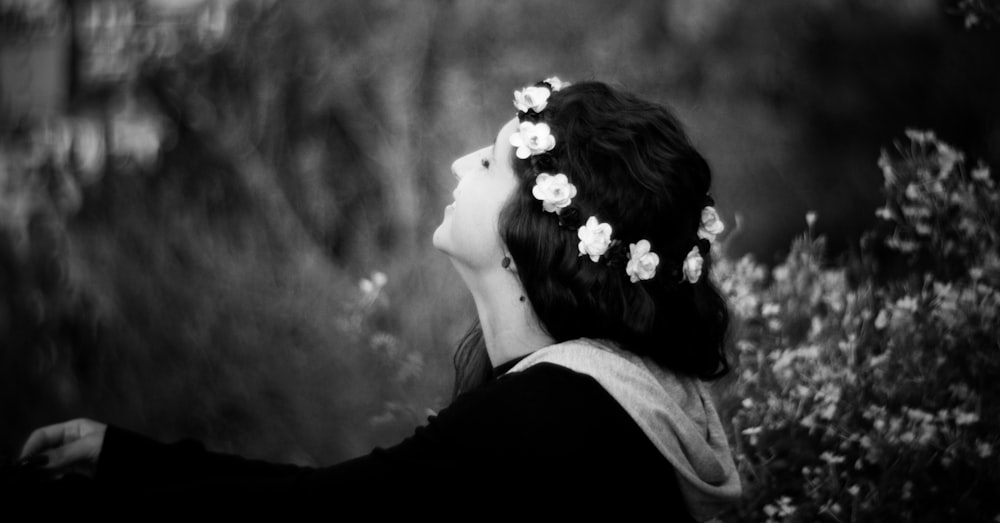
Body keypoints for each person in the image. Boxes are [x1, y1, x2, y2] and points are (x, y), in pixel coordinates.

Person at [14, 79, 741, 518]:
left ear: (537, 229)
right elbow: (358, 497)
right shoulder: (588, 395)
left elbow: (324, 519)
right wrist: (129, 459)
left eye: (490, 162)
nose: (462, 163)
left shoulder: (550, 416)